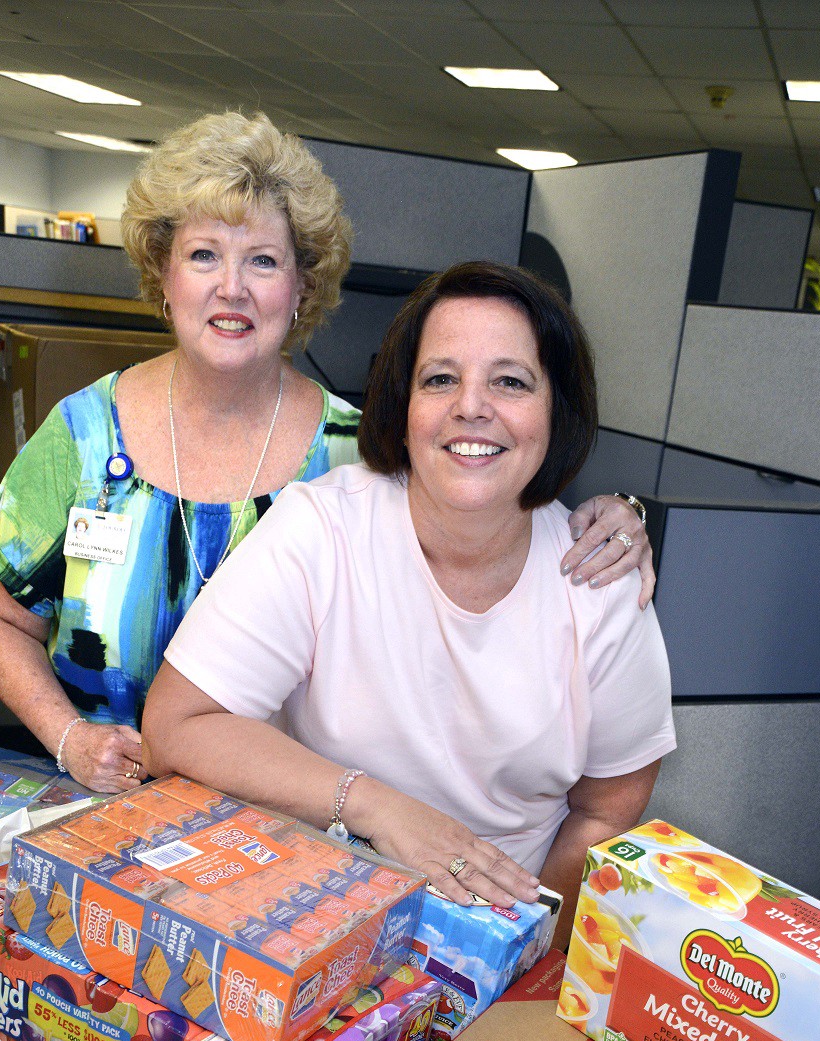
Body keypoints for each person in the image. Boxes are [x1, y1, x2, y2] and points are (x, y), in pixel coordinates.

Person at [0, 111, 653, 795]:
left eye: (262, 260)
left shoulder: (369, 451)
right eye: (204, 254)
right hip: (96, 803)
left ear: (301, 288)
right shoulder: (84, 436)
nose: (231, 287)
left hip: (287, 835)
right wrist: (67, 736)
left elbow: (490, 502)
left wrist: (617, 517)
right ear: (164, 275)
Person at [143, 263, 675, 938]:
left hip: (497, 936)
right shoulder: (323, 529)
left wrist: (519, 949)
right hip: (311, 915)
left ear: (556, 411)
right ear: (403, 407)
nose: (471, 406)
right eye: (440, 379)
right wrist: (376, 807)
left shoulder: (602, 580)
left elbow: (607, 811)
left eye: (510, 381)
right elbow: (175, 727)